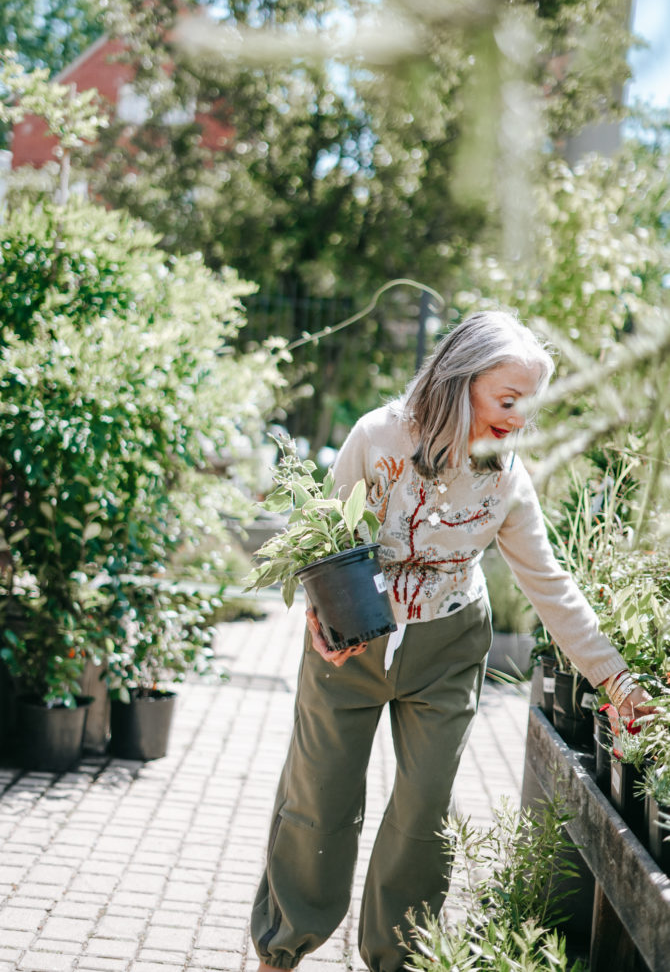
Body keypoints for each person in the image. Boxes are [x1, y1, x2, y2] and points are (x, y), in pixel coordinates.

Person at [250, 310, 653, 972]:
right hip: (352, 646)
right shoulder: (378, 437)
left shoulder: (507, 480)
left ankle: (398, 959)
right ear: (459, 381)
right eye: (508, 399)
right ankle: (282, 948)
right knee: (319, 797)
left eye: (531, 405)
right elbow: (323, 541)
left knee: (424, 809)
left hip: (448, 647)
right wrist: (318, 625)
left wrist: (617, 680)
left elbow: (550, 586)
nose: (519, 417)